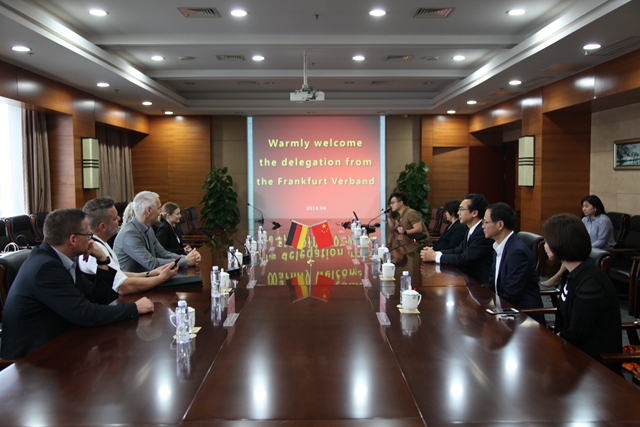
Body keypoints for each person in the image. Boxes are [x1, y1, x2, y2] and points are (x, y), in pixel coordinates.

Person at [0, 209, 154, 359]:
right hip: (31, 358)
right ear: (73, 239)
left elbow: (98, 300)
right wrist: (133, 308)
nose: (91, 240)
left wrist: (102, 260)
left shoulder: (62, 259)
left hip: (58, 342)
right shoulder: (46, 268)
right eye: (88, 234)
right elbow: (86, 314)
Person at [541, 213, 621, 366]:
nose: (544, 246)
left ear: (561, 243)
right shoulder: (571, 273)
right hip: (571, 353)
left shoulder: (590, 281)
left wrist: (548, 344)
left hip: (592, 364)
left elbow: (577, 332)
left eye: (547, 241)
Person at [80, 197, 178, 295]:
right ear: (103, 227)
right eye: (115, 218)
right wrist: (161, 278)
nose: (119, 218)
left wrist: (149, 274)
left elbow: (117, 274)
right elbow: (123, 287)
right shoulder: (94, 248)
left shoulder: (101, 243)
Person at [482, 203, 544, 322]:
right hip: (503, 309)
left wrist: (490, 311)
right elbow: (492, 283)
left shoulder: (517, 252)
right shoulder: (498, 246)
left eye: (485, 222)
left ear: (500, 225)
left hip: (522, 317)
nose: (483, 226)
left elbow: (512, 294)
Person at [114, 191, 201, 273]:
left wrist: (188, 257)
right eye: (159, 208)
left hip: (150, 277)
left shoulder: (148, 228)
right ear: (148, 210)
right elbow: (152, 264)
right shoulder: (129, 234)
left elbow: (163, 253)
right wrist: (185, 261)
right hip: (135, 281)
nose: (161, 212)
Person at [541, 195, 616, 287]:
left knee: (573, 255)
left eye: (587, 206)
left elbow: (602, 241)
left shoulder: (604, 220)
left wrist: (587, 248)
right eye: (583, 206)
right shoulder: (584, 220)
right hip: (588, 249)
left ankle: (558, 277)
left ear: (595, 207)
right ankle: (564, 282)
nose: (584, 209)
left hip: (603, 250)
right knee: (568, 252)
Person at [420, 194, 494, 284]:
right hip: (468, 278)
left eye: (461, 209)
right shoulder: (471, 230)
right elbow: (458, 251)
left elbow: (464, 259)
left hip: (479, 283)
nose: (458, 213)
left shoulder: (482, 232)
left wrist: (434, 257)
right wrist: (435, 253)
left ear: (474, 213)